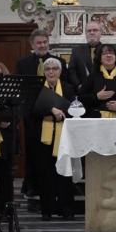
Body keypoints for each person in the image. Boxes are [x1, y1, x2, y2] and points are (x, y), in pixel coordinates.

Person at [15, 29, 67, 197]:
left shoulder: (59, 62)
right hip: (32, 114)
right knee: (32, 150)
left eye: (45, 42)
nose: (42, 45)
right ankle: (31, 185)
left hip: (55, 114)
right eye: (39, 42)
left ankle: (54, 187)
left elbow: (64, 87)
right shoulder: (23, 63)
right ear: (32, 44)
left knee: (53, 152)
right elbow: (20, 88)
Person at [33, 58, 76, 220]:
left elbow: (74, 109)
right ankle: (47, 210)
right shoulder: (38, 89)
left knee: (64, 173)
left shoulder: (68, 88)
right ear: (43, 72)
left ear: (60, 71)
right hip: (42, 138)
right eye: (48, 69)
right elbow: (31, 110)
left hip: (64, 136)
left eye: (55, 68)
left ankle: (66, 208)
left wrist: (61, 112)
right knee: (45, 174)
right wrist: (51, 110)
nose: (51, 71)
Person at [0, 61, 19, 221]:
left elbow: (18, 112)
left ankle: (5, 210)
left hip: (7, 138)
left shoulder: (10, 92)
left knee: (6, 177)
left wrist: (7, 121)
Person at [78, 44, 116, 118]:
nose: (108, 55)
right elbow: (80, 97)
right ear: (100, 58)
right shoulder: (92, 76)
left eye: (111, 53)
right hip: (95, 120)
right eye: (104, 53)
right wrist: (96, 97)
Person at [68, 20, 103, 90]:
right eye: (89, 31)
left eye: (95, 30)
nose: (92, 33)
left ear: (101, 33)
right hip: (83, 92)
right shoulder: (77, 51)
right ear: (86, 33)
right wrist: (78, 85)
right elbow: (71, 70)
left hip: (103, 90)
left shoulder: (108, 50)